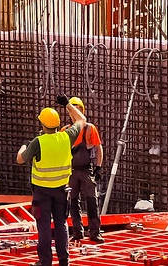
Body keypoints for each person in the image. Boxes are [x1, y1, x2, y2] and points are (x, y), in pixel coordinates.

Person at [16, 99, 87, 266]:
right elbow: (82, 120)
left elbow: (20, 159)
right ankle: (64, 260)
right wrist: (68, 104)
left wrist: (23, 147)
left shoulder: (38, 142)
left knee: (44, 227)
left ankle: (45, 262)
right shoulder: (66, 137)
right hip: (62, 190)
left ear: (42, 124)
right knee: (61, 224)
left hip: (42, 192)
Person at [66, 97, 104, 244]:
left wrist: (98, 167)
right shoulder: (66, 131)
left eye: (78, 109)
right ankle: (77, 233)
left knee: (92, 201)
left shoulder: (89, 128)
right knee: (73, 202)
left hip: (86, 170)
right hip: (71, 171)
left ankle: (95, 232)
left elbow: (98, 147)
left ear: (81, 111)